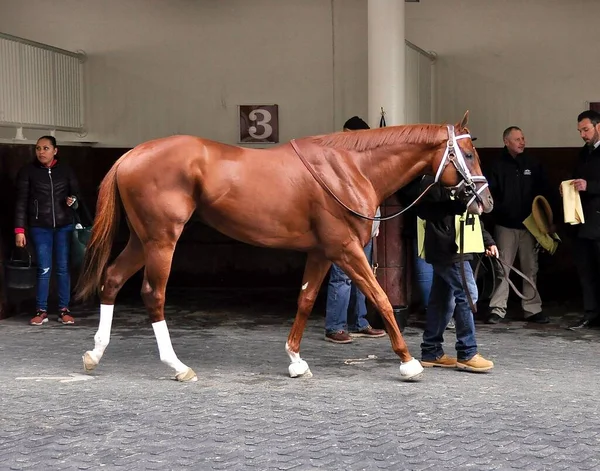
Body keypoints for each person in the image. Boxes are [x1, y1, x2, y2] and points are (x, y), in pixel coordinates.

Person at [417, 176, 497, 372]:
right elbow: (427, 211)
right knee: (468, 294)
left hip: (456, 247)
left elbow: (473, 216)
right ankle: (467, 352)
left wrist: (486, 241)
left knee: (442, 299)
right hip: (449, 249)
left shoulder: (463, 180)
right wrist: (458, 205)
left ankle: (431, 350)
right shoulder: (431, 181)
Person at [324, 116, 386, 343]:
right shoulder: (338, 161)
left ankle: (358, 322)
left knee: (361, 276)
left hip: (365, 226)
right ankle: (335, 326)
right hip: (345, 227)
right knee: (343, 277)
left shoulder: (361, 161)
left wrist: (375, 224)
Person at [484, 126, 550, 324]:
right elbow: (489, 196)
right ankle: (497, 308)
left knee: (531, 268)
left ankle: (532, 309)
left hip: (530, 226)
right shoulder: (496, 165)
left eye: (523, 138)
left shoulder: (532, 163)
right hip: (505, 225)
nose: (522, 142)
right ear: (506, 142)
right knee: (502, 267)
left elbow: (543, 192)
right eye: (517, 139)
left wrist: (546, 222)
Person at [14, 135, 81, 326]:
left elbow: (77, 195)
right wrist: (19, 229)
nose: (41, 152)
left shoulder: (66, 171)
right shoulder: (28, 172)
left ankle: (63, 309)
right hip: (39, 227)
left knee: (62, 268)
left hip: (64, 226)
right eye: (38, 148)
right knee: (44, 268)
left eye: (45, 148)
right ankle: (41, 310)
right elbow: (21, 203)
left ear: (55, 150)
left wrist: (72, 201)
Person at [566, 110, 600, 330]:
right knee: (586, 271)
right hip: (582, 222)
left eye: (586, 130)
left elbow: (591, 184)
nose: (583, 135)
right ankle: (591, 313)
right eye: (580, 131)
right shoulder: (583, 153)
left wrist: (590, 186)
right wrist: (569, 188)